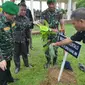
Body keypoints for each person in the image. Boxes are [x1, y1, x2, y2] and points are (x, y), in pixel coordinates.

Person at [40, 0, 65, 68]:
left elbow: (62, 23)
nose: (51, 5)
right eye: (49, 4)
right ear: (47, 4)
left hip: (55, 34)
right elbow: (41, 25)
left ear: (55, 4)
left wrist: (63, 32)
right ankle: (48, 62)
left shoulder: (59, 12)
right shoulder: (43, 13)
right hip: (46, 34)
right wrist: (48, 29)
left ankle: (54, 62)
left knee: (55, 48)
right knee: (46, 49)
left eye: (52, 4)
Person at [0, 1, 19, 85]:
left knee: (8, 66)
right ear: (5, 13)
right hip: (2, 54)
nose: (14, 16)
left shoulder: (11, 20)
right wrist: (1, 59)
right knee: (2, 72)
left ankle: (9, 79)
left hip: (8, 51)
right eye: (12, 14)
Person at [13, 3, 32, 74]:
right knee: (16, 54)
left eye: (25, 10)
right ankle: (17, 67)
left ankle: (26, 64)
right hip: (15, 39)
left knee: (25, 52)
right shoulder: (14, 18)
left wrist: (28, 38)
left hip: (23, 39)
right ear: (18, 10)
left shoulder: (27, 19)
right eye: (22, 10)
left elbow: (27, 30)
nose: (24, 11)